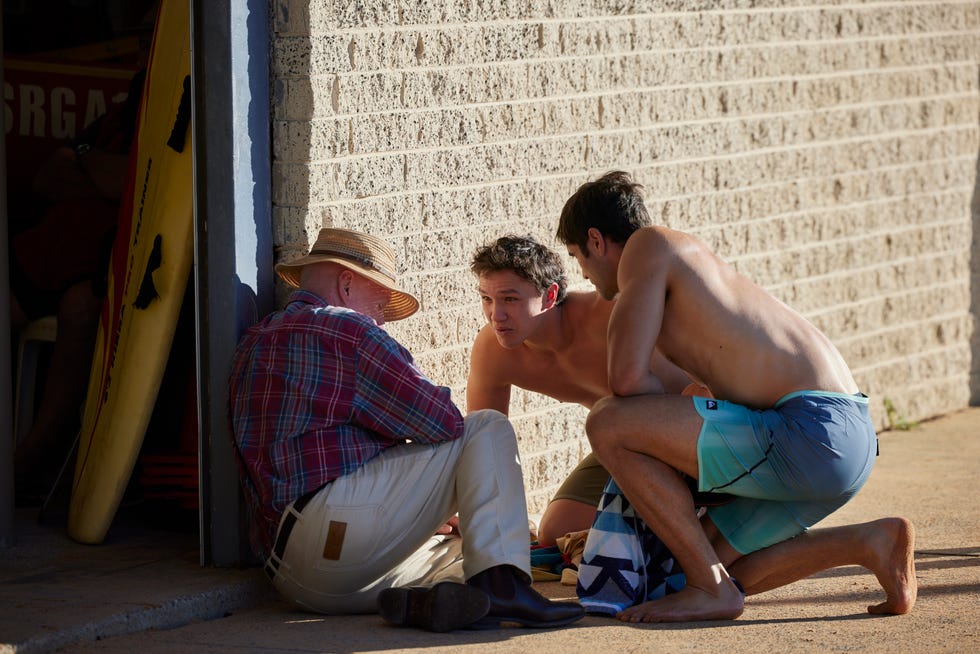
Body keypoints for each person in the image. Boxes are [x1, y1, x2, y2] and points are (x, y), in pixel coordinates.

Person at [551, 170, 917, 622]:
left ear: (596, 239)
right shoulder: (688, 276)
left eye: (577, 257)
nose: (583, 275)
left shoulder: (648, 246)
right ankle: (872, 542)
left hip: (809, 431)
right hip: (844, 440)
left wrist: (654, 441)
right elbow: (695, 395)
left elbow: (625, 382)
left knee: (608, 422)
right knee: (693, 567)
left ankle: (710, 588)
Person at [227, 227, 585, 632]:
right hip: (336, 528)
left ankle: (430, 603)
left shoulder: (252, 341)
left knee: (461, 552)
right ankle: (505, 590)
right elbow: (443, 421)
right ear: (347, 285)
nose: (381, 320)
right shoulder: (349, 331)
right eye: (380, 305)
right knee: (486, 427)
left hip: (294, 581)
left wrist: (414, 509)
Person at [468, 235, 703, 547]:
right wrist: (481, 514)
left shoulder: (607, 317)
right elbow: (485, 442)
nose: (496, 315)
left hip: (690, 438)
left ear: (550, 295)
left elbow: (695, 393)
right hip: (625, 447)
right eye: (487, 299)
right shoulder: (493, 351)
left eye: (510, 300)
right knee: (555, 534)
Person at [10, 66, 146, 501]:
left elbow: (133, 183)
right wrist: (99, 173)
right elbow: (47, 178)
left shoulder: (164, 128)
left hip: (96, 274)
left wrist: (87, 165)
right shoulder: (109, 121)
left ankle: (28, 463)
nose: (143, 51)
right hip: (39, 260)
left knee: (80, 309)